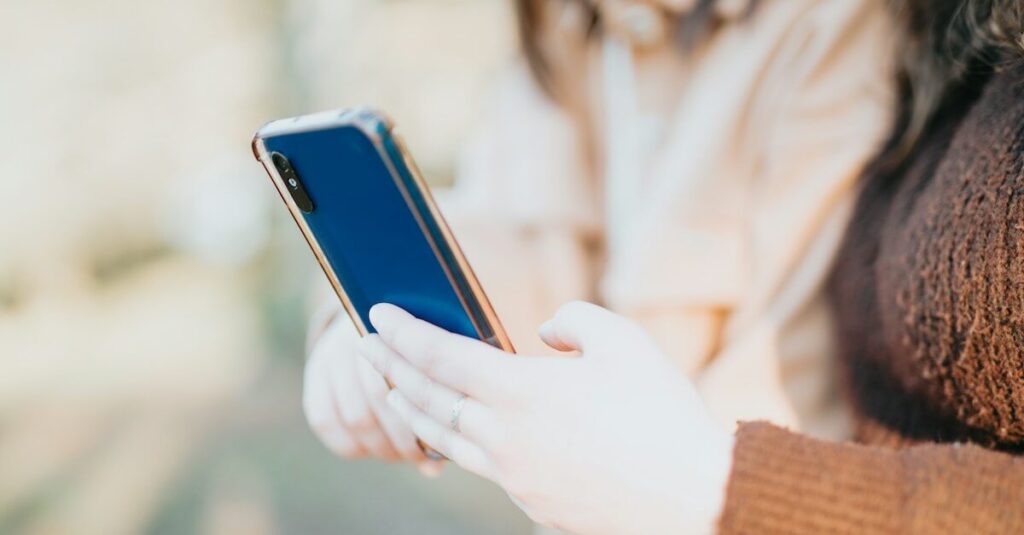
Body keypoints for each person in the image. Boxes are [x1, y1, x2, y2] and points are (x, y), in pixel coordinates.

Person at [356, 1, 1024, 533]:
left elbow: (777, 367)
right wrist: (374, 333)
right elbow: (514, 228)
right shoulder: (558, 29)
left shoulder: (822, 27)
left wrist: (688, 488)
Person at [302, 0, 894, 473]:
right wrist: (359, 327)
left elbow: (779, 381)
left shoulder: (824, 24)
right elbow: (504, 237)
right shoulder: (558, 31)